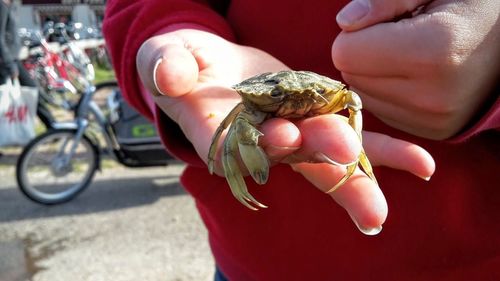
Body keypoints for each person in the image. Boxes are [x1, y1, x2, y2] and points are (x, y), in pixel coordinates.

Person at [102, 0, 500, 280]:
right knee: (235, 129)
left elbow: (350, 99)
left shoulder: (335, 95)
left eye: (307, 98)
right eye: (280, 98)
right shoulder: (247, 110)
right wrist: (168, 31)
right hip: (251, 262)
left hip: (469, 261)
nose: (295, 101)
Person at [0, 0, 54, 129]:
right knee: (31, 90)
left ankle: (53, 125)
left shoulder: (8, 6)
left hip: (10, 59)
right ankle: (53, 125)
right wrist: (9, 64)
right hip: (7, 61)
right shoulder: (1, 6)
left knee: (30, 91)